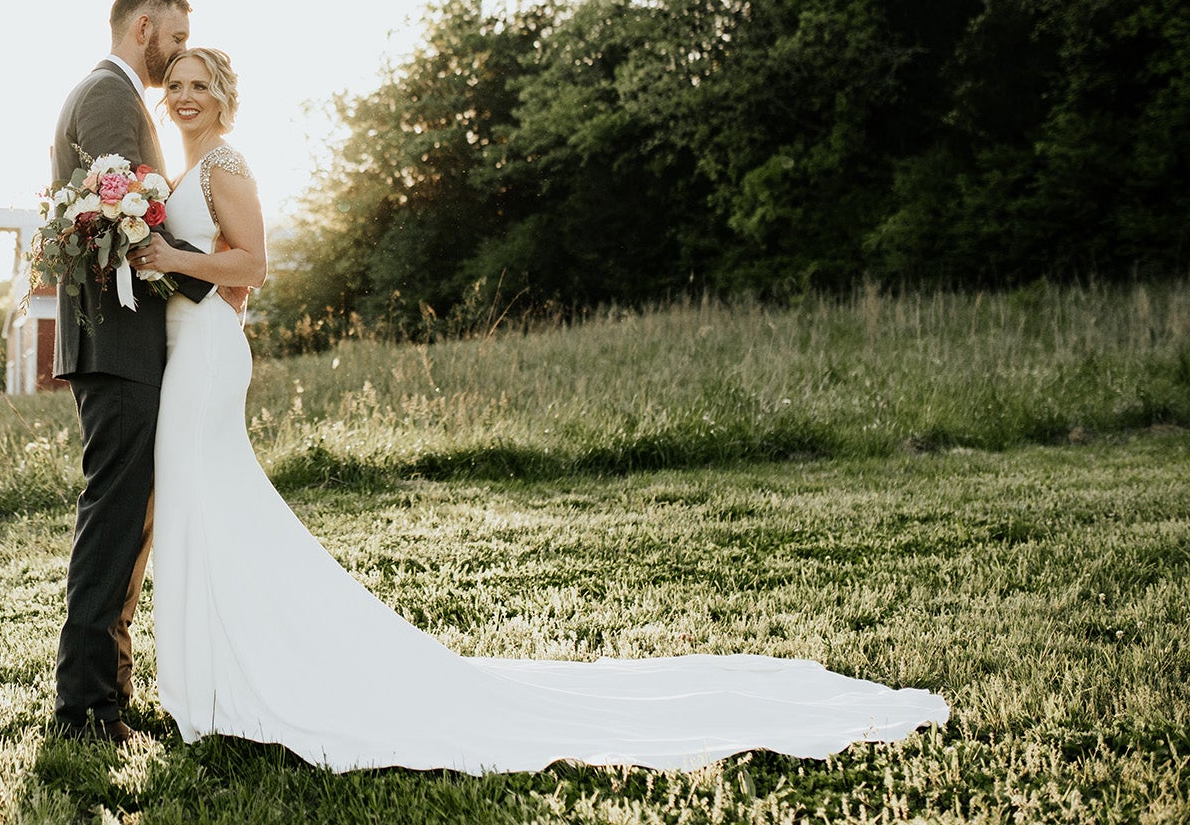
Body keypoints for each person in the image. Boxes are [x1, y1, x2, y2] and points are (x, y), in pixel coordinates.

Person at [125, 47, 951, 773]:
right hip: (187, 346)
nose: (187, 95)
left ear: (225, 98)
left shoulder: (226, 165)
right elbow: (219, 273)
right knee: (200, 506)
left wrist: (168, 254)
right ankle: (216, 677)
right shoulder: (181, 170)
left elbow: (256, 265)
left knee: (210, 501)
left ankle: (243, 680)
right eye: (179, 85)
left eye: (201, 84)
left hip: (206, 359)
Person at [49, 0, 224, 744]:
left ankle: (108, 693)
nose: (180, 52)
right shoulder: (110, 96)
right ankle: (84, 709)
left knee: (129, 519)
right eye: (176, 39)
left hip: (117, 340)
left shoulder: (109, 95)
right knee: (114, 518)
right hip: (117, 340)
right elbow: (128, 224)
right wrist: (208, 280)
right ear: (145, 26)